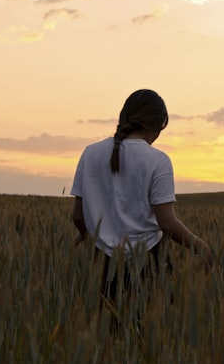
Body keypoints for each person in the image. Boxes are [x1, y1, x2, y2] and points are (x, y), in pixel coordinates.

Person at [71, 88, 212, 330]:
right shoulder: (158, 160)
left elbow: (78, 215)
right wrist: (201, 247)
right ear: (158, 125)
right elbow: (166, 222)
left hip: (101, 264)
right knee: (149, 339)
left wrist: (85, 235)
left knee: (108, 340)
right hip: (148, 264)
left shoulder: (90, 153)